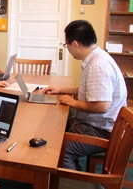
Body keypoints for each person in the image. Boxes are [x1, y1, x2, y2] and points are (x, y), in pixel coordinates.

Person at [42, 20, 127, 170]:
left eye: (66, 44)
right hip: (102, 125)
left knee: (56, 149)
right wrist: (61, 90)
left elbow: (102, 106)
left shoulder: (98, 65)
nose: (67, 48)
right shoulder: (98, 57)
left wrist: (72, 102)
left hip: (102, 130)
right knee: (56, 129)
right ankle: (73, 168)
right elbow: (89, 89)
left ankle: (70, 179)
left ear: (75, 44)